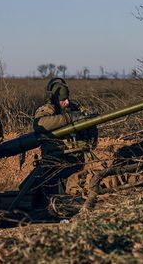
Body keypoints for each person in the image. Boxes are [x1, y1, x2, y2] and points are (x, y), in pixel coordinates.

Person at [32, 78, 98, 206]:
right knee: (55, 190)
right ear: (55, 99)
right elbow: (40, 124)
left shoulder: (74, 108)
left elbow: (88, 121)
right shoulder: (47, 110)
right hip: (56, 160)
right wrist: (68, 118)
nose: (67, 102)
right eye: (63, 100)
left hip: (76, 158)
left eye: (67, 98)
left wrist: (92, 134)